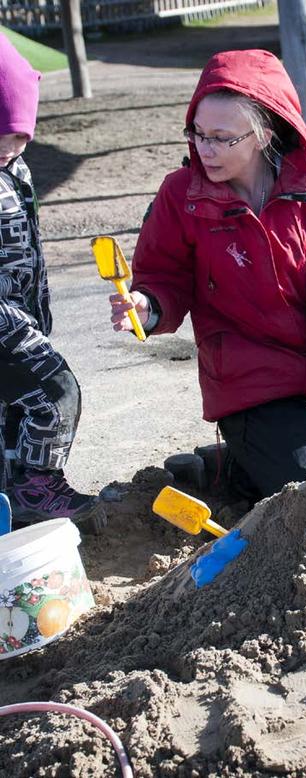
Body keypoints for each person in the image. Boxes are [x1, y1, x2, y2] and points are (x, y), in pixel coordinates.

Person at [109, 49, 306, 497]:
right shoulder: (181, 195)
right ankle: (248, 463)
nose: (204, 148)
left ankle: (266, 458)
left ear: (263, 133)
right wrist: (147, 307)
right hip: (252, 382)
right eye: (198, 133)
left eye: (221, 138)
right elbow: (164, 278)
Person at [0, 36, 102, 531]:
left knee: (13, 408)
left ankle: (13, 497)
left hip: (21, 313)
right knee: (55, 390)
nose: (10, 147)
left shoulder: (14, 167)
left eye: (20, 135)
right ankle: (37, 484)